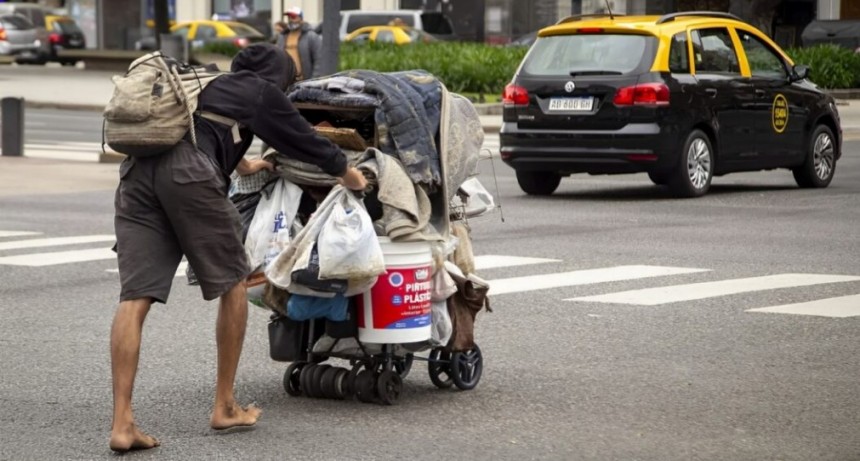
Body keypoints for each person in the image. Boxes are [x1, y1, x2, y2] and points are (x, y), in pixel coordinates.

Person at [108, 43, 367, 452]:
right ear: (279, 77)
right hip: (189, 176)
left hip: (138, 176)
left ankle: (122, 424)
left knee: (134, 297)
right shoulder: (262, 91)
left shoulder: (210, 83)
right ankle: (225, 406)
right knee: (234, 284)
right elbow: (305, 141)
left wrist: (246, 165)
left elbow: (206, 131)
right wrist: (349, 175)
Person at [276, 6, 322, 81]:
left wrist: (314, 80)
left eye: (293, 17)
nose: (291, 20)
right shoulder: (282, 36)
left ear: (301, 18)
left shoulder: (311, 36)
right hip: (286, 80)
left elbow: (319, 60)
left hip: (304, 80)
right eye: (289, 17)